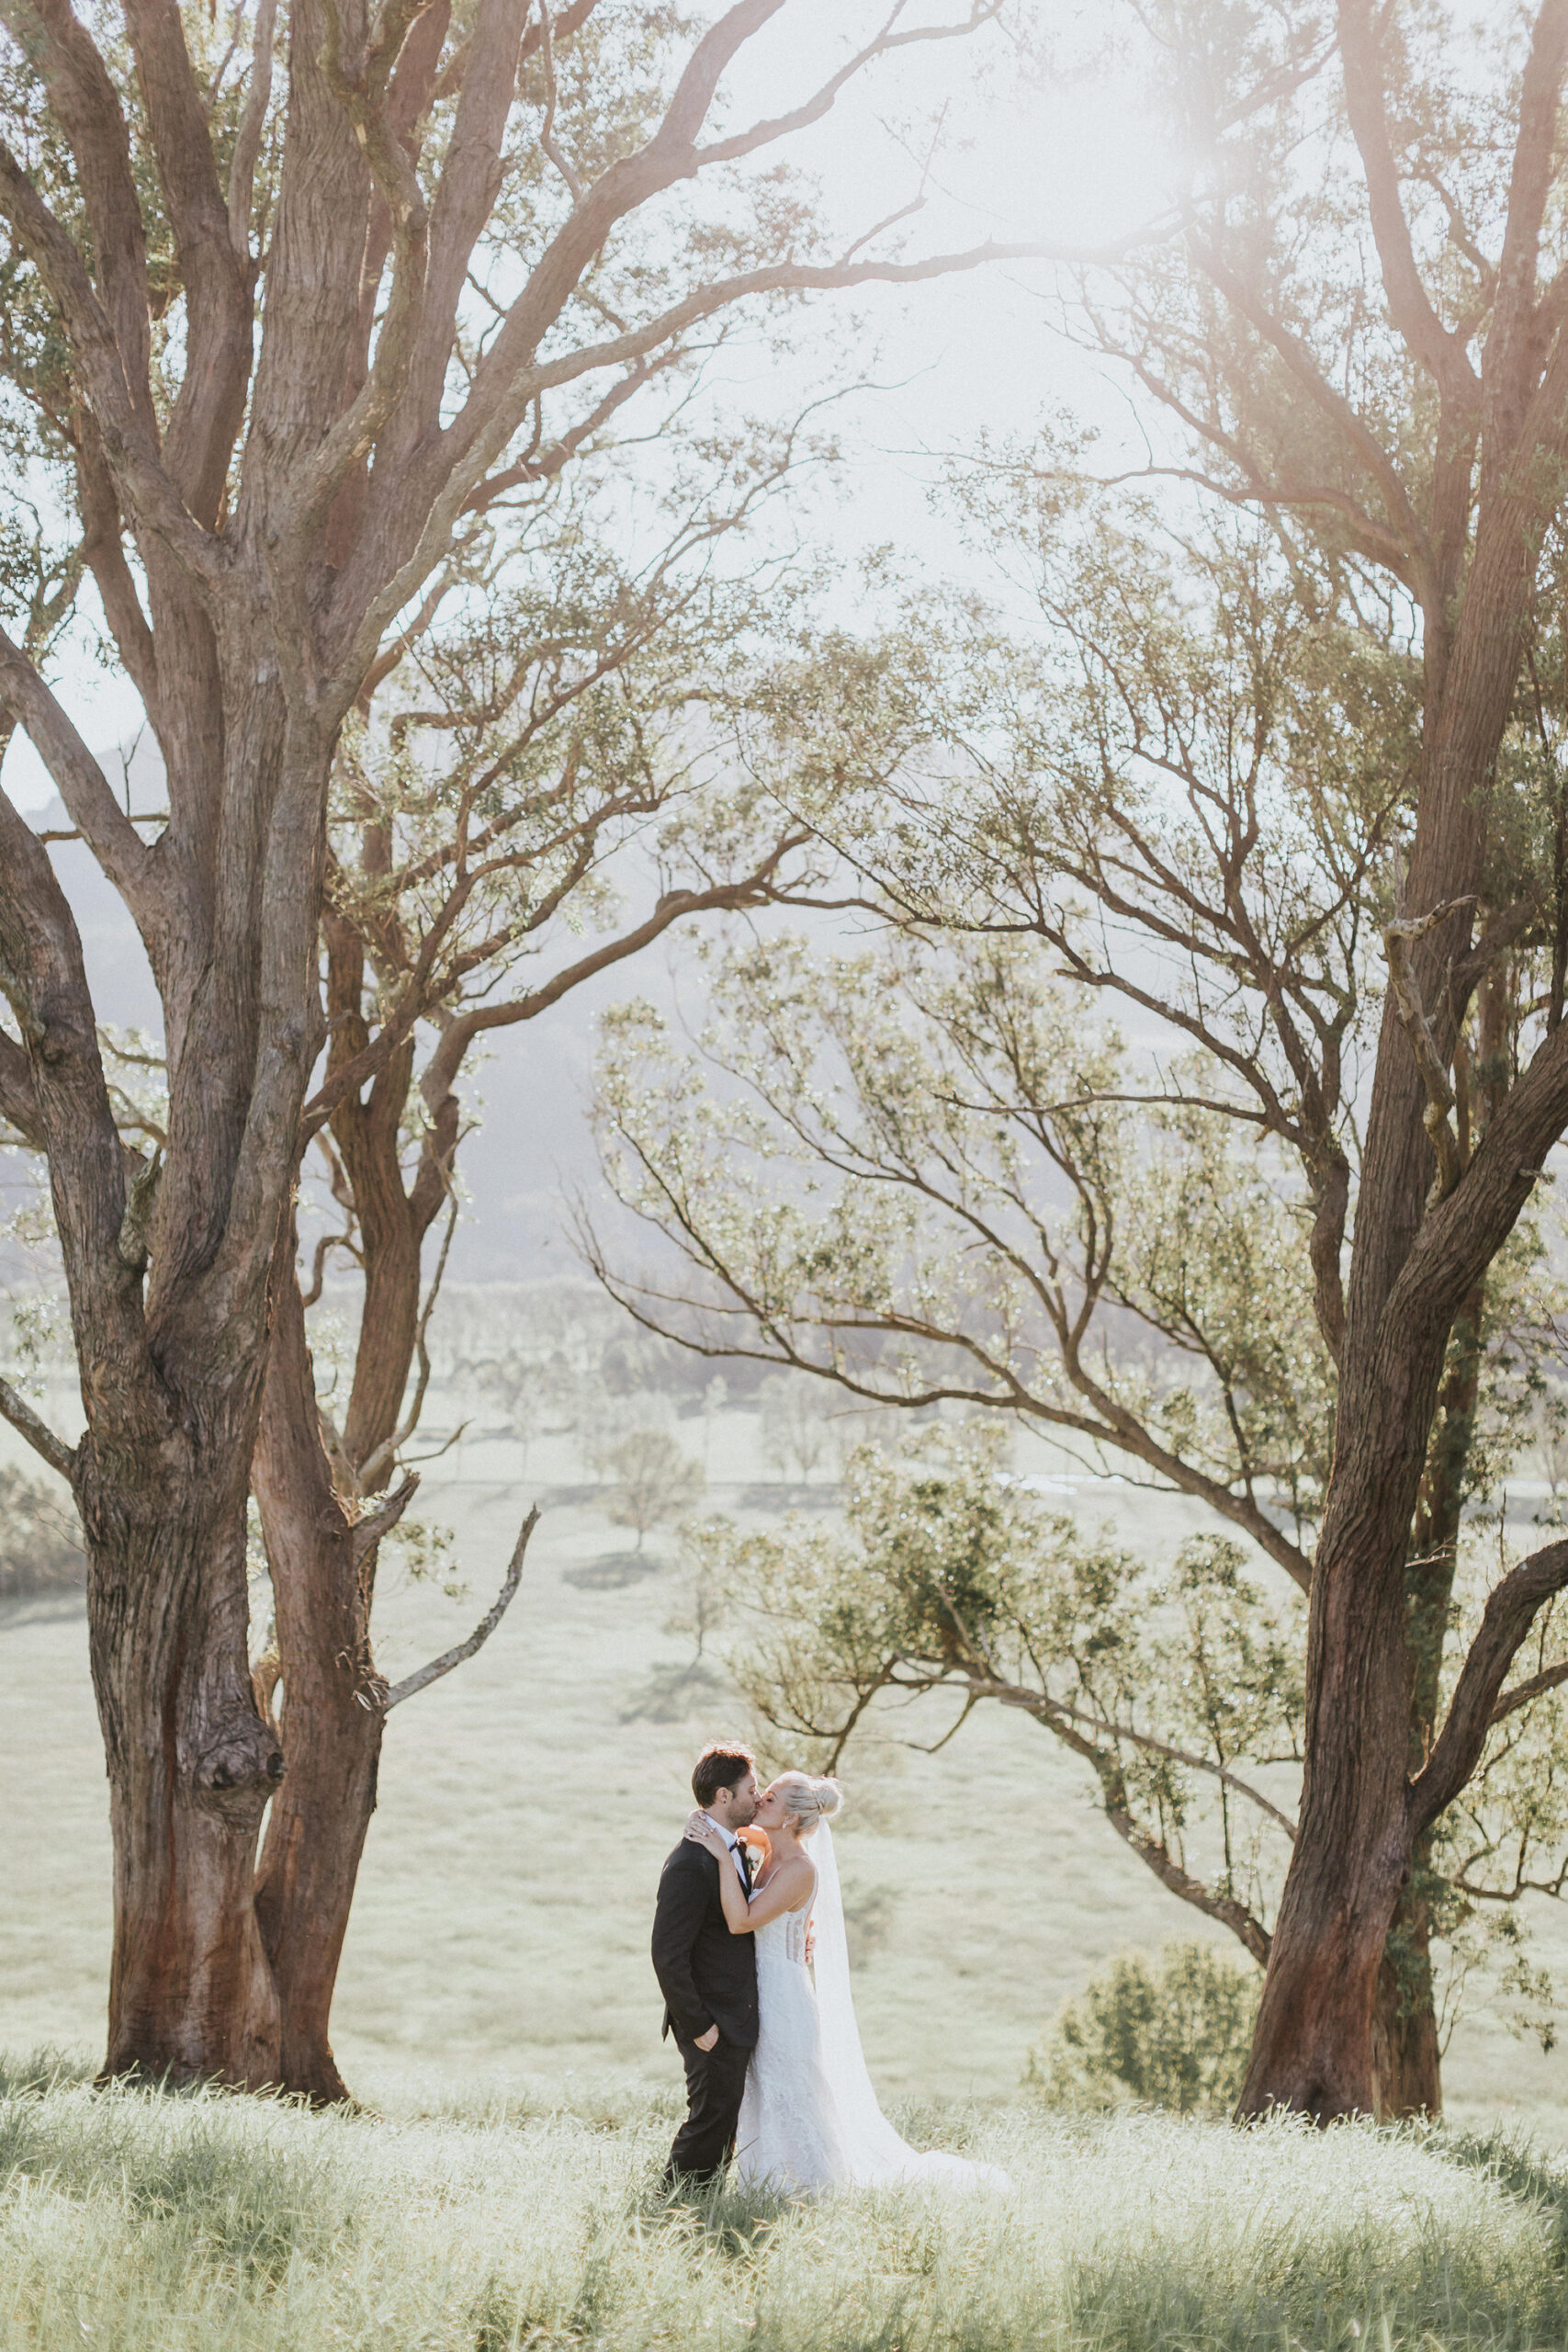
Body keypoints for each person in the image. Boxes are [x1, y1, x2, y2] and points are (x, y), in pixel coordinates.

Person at [684, 1770, 1010, 2198]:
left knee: (792, 2093)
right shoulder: (765, 1849)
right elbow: (739, 1841)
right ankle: (764, 2184)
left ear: (789, 1818)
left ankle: (812, 2187)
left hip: (784, 2000)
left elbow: (743, 1920)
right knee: (764, 2092)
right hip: (760, 1994)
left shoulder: (800, 1868)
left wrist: (722, 1858)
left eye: (771, 1798)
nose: (760, 1799)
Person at [650, 1740, 761, 2188]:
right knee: (709, 2120)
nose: (759, 1796)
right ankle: (673, 2205)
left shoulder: (727, 1847)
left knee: (722, 2119)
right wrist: (698, 2024)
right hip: (710, 2018)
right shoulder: (690, 1863)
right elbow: (667, 1954)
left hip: (731, 2015)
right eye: (751, 1789)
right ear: (723, 1797)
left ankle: (704, 2201)